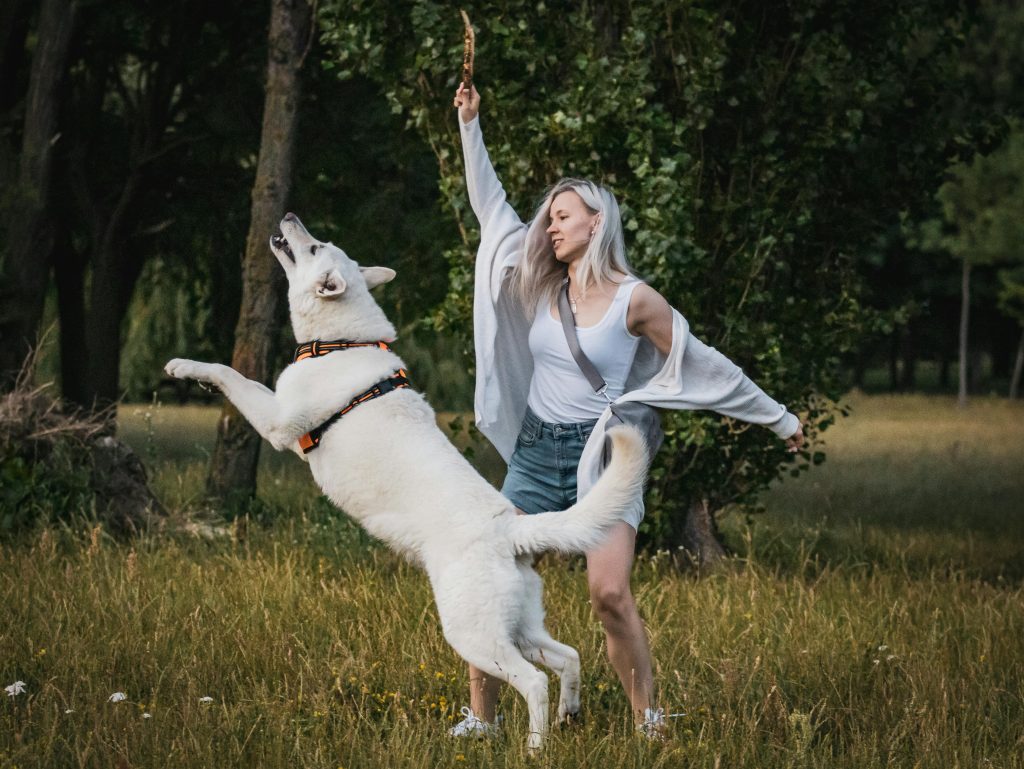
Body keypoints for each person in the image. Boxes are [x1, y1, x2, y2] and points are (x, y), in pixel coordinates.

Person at [448, 83, 805, 738]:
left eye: (562, 214)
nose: (549, 224)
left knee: (609, 593)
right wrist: (471, 125)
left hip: (606, 457)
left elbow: (704, 363)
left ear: (596, 222)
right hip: (536, 451)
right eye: (548, 216)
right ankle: (482, 718)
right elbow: (490, 208)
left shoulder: (636, 300)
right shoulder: (537, 284)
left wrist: (779, 417)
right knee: (491, 579)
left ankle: (649, 719)